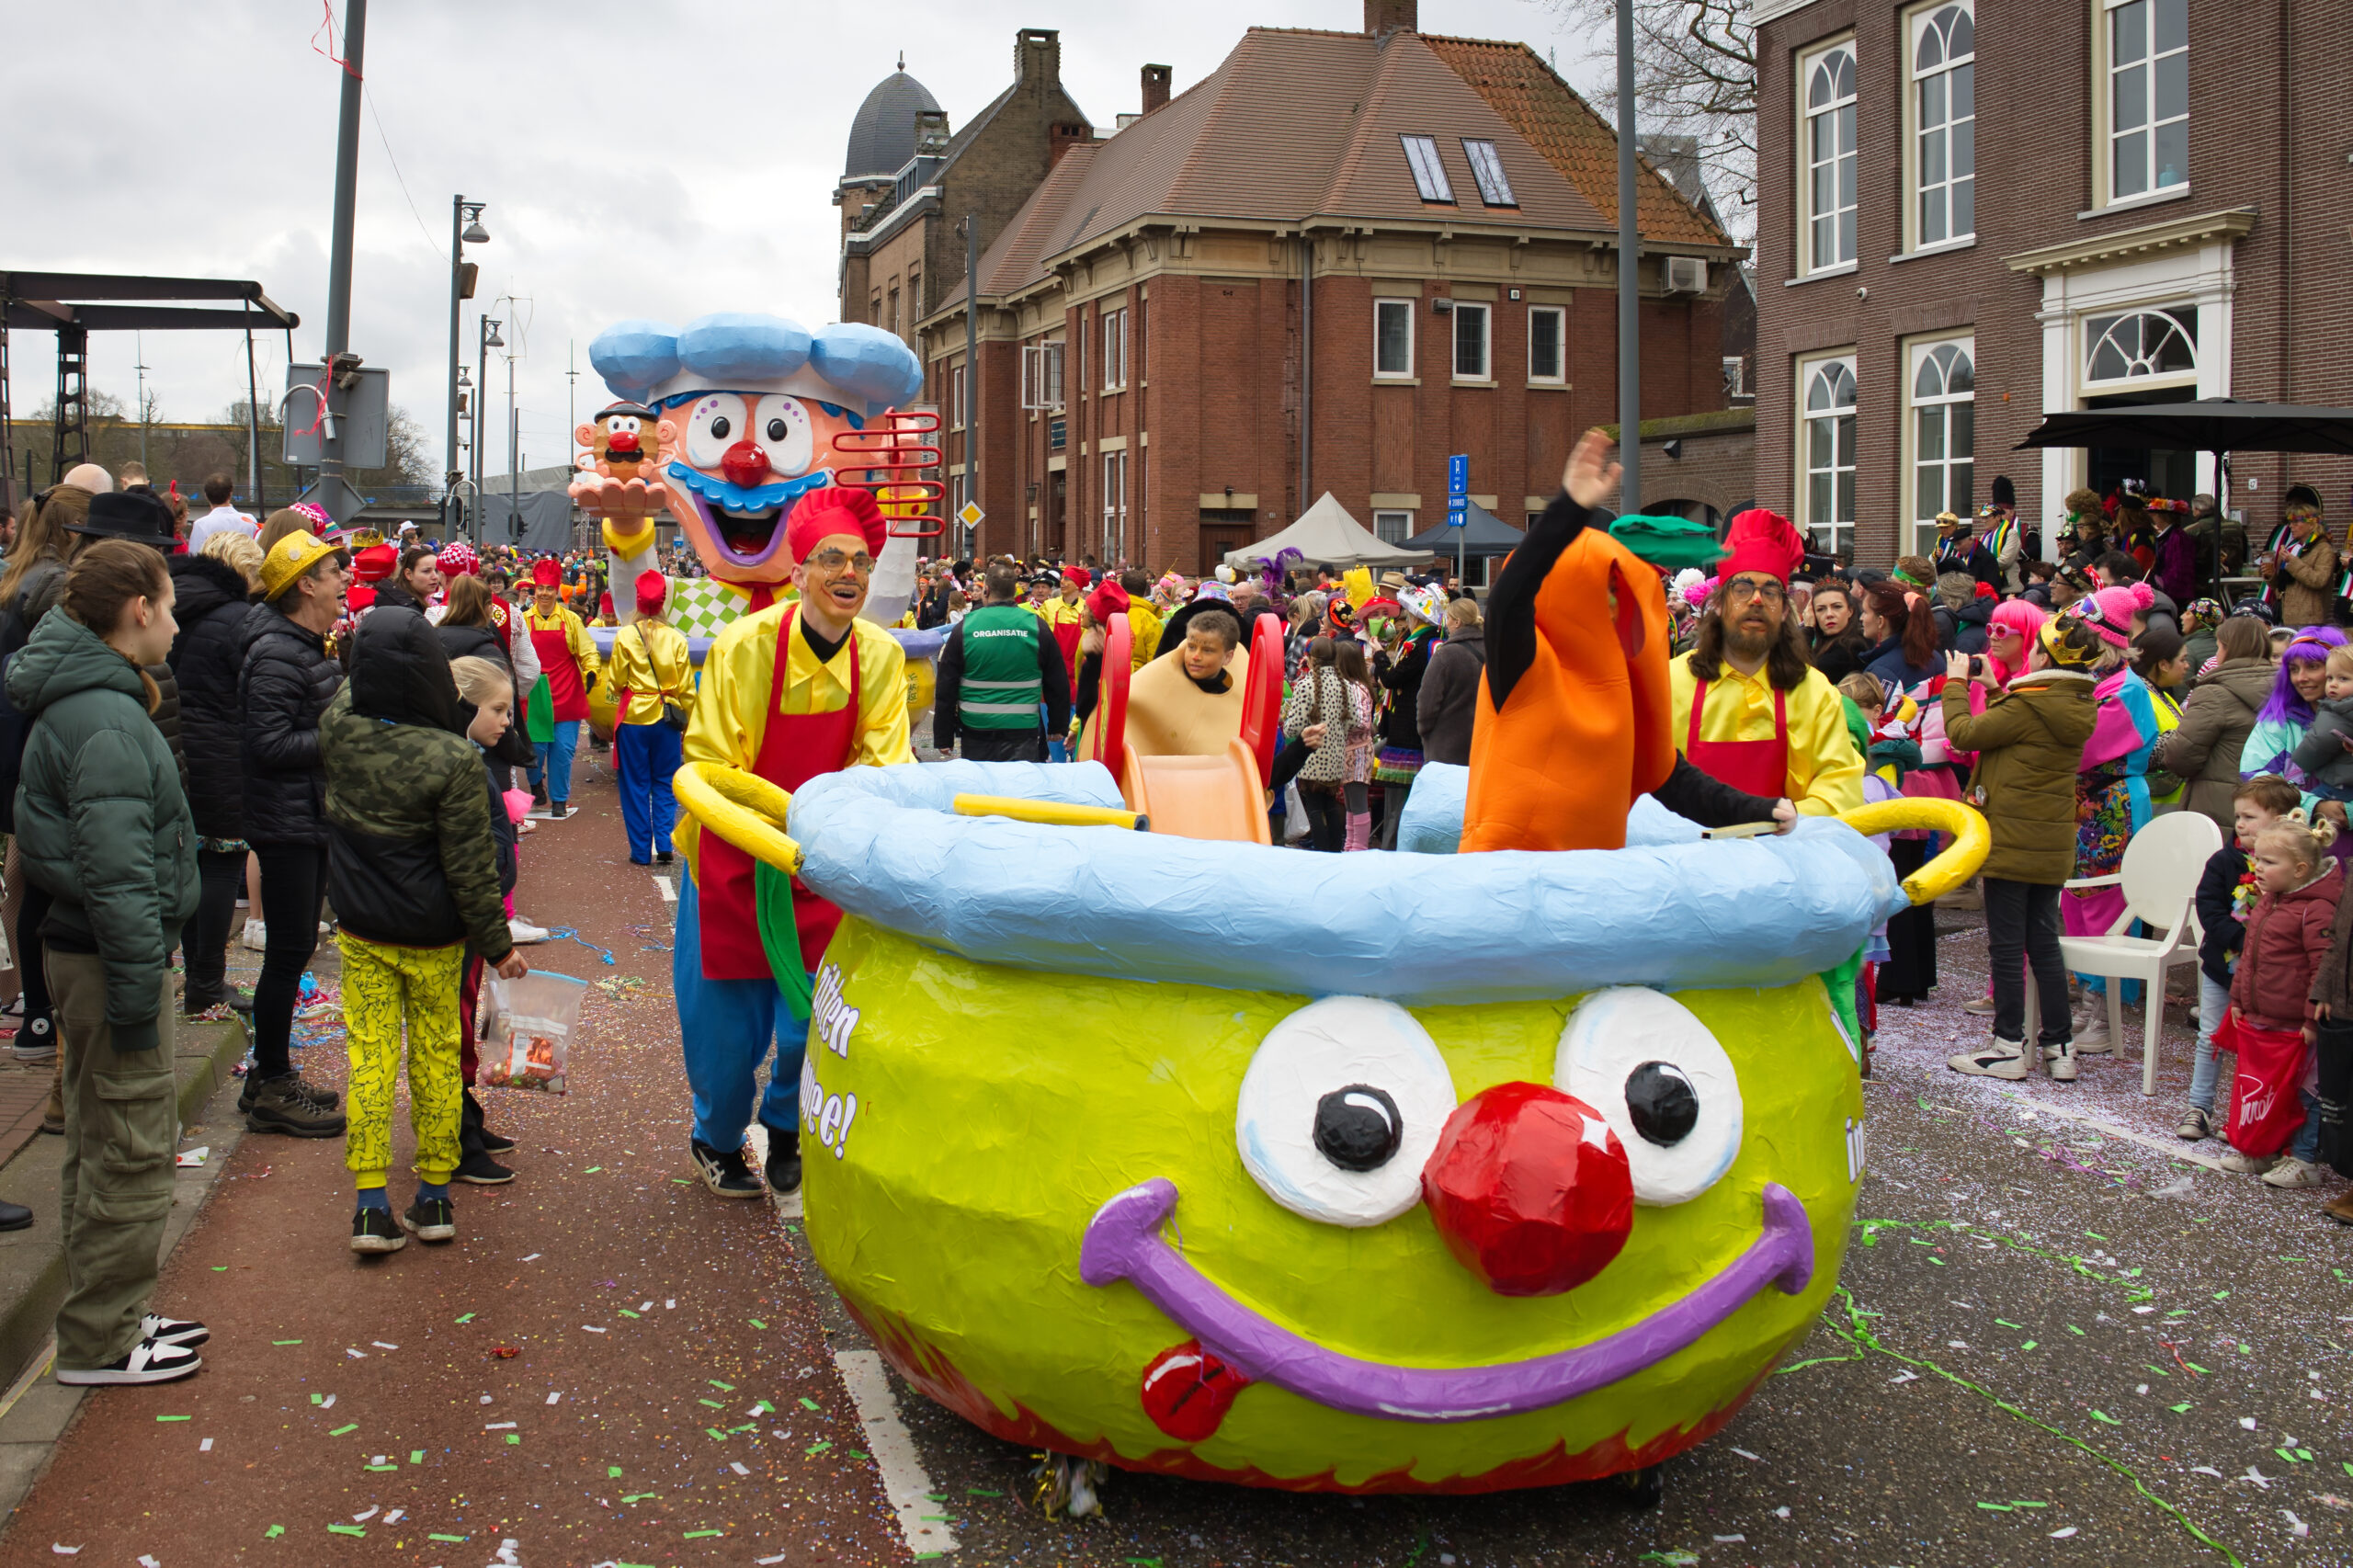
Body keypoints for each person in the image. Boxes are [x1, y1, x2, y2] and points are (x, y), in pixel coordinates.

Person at [676, 488, 909, 1202]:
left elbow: (885, 765)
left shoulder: (882, 655)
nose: (850, 573)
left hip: (823, 859)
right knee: (725, 1030)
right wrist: (774, 828)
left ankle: (784, 1127)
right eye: (832, 559)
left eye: (861, 562)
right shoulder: (746, 646)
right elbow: (713, 759)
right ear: (800, 572)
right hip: (733, 853)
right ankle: (714, 1140)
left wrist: (823, 837)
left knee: (815, 1017)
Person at [11, 540, 206, 1383]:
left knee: (102, 1138)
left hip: (87, 951)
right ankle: (102, 1338)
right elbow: (119, 871)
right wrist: (139, 986)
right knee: (128, 1139)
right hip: (108, 957)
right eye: (167, 605)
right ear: (138, 611)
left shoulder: (91, 705)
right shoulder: (108, 719)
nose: (174, 621)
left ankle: (111, 1311)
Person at [321, 607, 525, 1253]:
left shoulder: (337, 729)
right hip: (435, 935)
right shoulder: (452, 761)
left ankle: (370, 1205)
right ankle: (435, 1197)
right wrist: (498, 947)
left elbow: (354, 688)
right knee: (437, 1057)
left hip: (361, 924)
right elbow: (471, 870)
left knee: (370, 1059)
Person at [1940, 613, 2100, 1081]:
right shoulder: (2071, 703)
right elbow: (2016, 735)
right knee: (2044, 945)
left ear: (2046, 657)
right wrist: (1995, 689)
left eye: (2035, 649)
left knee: (2008, 949)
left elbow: (1965, 734)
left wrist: (1955, 685)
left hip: (2011, 842)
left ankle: (2009, 1045)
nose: (2028, 653)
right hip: (2049, 845)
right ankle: (2059, 1046)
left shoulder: (2028, 704)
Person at [236, 530, 352, 1138]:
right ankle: (273, 1084)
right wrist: (338, 738)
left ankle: (268, 1075)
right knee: (286, 956)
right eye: (334, 571)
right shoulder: (280, 653)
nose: (344, 580)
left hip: (303, 817)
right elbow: (269, 743)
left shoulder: (304, 646)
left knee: (292, 951)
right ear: (305, 584)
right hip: (286, 824)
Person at [1669, 509, 1862, 817]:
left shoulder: (1814, 691)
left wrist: (1794, 817)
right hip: (1683, 855)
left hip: (1784, 853)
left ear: (1785, 611)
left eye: (1770, 592)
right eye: (1743, 589)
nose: (1757, 601)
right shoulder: (1669, 683)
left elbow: (1841, 788)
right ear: (1717, 605)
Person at [167, 532, 262, 1017]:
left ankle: (189, 972)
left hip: (172, 746)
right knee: (221, 865)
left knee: (185, 866)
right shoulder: (239, 620)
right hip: (222, 752)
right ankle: (207, 980)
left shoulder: (173, 603)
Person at [2220, 813, 2340, 1187]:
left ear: (2300, 869)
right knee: (2266, 1088)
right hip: (2263, 1015)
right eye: (2257, 858)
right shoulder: (2270, 900)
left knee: (2303, 1093)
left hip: (2294, 1022)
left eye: (2270, 862)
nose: (2258, 867)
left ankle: (2304, 1160)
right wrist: (2239, 998)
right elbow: (2250, 955)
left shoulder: (2315, 907)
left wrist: (2310, 1021)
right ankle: (2263, 1151)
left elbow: (2323, 970)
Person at [2182, 776, 2296, 1143]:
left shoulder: (2292, 868)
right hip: (2224, 967)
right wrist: (2244, 938)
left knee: (2260, 1045)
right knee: (2210, 1037)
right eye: (2238, 817)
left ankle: (2247, 1118)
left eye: (2250, 817)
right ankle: (2199, 1107)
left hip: (2273, 975)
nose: (2241, 825)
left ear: (2281, 820)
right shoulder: (2224, 861)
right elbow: (2210, 909)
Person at [933, 562, 1071, 762]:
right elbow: (1057, 680)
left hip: (977, 728)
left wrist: (943, 736)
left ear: (986, 590)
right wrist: (1057, 726)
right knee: (1017, 790)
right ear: (1014, 592)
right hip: (1022, 728)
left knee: (981, 790)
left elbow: (946, 685)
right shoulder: (1035, 626)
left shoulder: (966, 627)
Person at [2155, 616, 2275, 836]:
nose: (2215, 655)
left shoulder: (2214, 693)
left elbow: (2180, 756)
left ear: (2229, 649)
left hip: (2219, 808)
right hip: (2270, 806)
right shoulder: (2283, 689)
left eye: (2218, 647)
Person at [607, 571, 691, 865]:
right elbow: (687, 690)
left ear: (638, 601)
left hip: (633, 720)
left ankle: (641, 851)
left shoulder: (626, 635)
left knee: (635, 784)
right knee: (665, 782)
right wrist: (688, 722)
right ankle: (665, 842)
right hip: (667, 721)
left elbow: (616, 681)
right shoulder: (677, 639)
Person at [2240, 627, 2347, 820]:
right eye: (2294, 669)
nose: (2301, 678)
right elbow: (2255, 779)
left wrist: (2350, 812)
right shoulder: (2277, 722)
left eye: (2313, 667)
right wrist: (2314, 806)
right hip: (2293, 839)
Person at [523, 557, 601, 819]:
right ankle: (535, 784)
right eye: (540, 589)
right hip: (535, 695)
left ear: (557, 592)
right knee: (535, 750)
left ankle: (559, 799)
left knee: (563, 750)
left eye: (549, 589)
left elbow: (588, 651)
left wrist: (591, 670)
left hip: (566, 693)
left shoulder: (571, 621)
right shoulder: (523, 621)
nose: (544, 594)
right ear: (535, 591)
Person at [1415, 596, 1484, 767]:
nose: (1446, 624)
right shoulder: (1494, 651)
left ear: (1457, 622)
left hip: (1446, 749)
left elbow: (1427, 703)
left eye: (1448, 618)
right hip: (1483, 744)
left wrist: (1425, 732)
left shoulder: (1445, 655)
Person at [2258, 485, 2339, 630]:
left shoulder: (2324, 549)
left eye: (2296, 522)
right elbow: (2283, 587)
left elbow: (2318, 580)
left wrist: (2292, 561)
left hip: (2309, 619)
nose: (2291, 526)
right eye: (2290, 522)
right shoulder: (2293, 548)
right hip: (2286, 616)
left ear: (2311, 524)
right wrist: (2271, 576)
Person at [1805, 580, 1869, 686]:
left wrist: (1808, 629)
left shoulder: (1852, 647)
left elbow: (1802, 675)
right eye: (1821, 609)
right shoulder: (1822, 644)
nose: (1829, 614)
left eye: (1837, 607)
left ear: (1850, 611)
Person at [184, 473, 256, 555]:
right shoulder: (250, 521)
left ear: (206, 496)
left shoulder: (201, 525)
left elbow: (195, 556)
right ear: (230, 494)